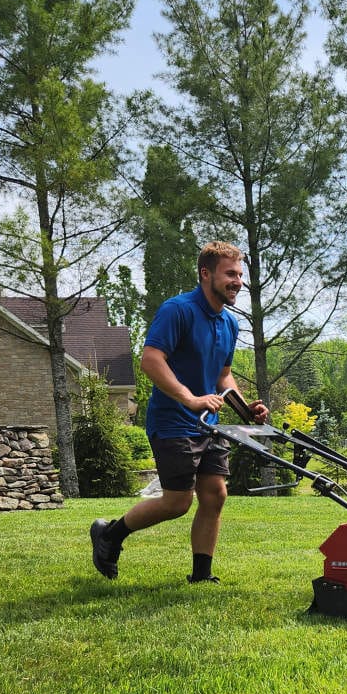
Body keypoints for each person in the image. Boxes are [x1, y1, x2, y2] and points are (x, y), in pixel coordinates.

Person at [90, 240, 269, 583]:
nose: (238, 282)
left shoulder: (229, 324)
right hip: (173, 421)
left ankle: (201, 575)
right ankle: (109, 535)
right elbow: (151, 360)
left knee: (215, 495)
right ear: (206, 274)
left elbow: (222, 375)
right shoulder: (179, 310)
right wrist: (190, 398)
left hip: (209, 424)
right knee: (177, 502)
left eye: (240, 275)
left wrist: (244, 409)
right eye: (230, 273)